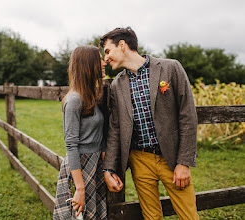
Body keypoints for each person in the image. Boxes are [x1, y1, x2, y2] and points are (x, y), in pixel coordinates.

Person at [100, 27, 199, 219]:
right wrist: (108, 168)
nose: (106, 59)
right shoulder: (116, 84)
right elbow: (115, 128)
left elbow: (188, 116)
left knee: (189, 216)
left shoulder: (171, 68)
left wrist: (184, 163)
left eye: (107, 51)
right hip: (139, 160)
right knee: (151, 217)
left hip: (172, 159)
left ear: (122, 45)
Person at [53, 46, 108, 220]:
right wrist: (80, 187)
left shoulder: (92, 95)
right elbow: (71, 145)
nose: (104, 62)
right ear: (88, 65)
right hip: (80, 168)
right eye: (99, 59)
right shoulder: (74, 99)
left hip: (95, 163)